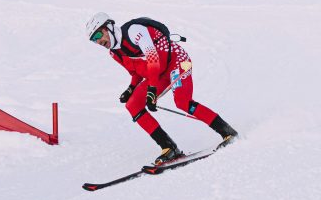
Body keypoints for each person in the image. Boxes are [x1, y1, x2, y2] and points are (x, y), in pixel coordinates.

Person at [85, 12, 238, 165]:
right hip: (158, 75)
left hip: (177, 63)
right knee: (132, 104)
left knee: (182, 102)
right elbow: (135, 73)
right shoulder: (114, 53)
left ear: (109, 27)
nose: (98, 41)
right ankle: (169, 148)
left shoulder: (134, 31)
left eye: (98, 34)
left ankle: (227, 132)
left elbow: (153, 58)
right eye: (93, 39)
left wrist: (152, 90)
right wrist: (130, 89)